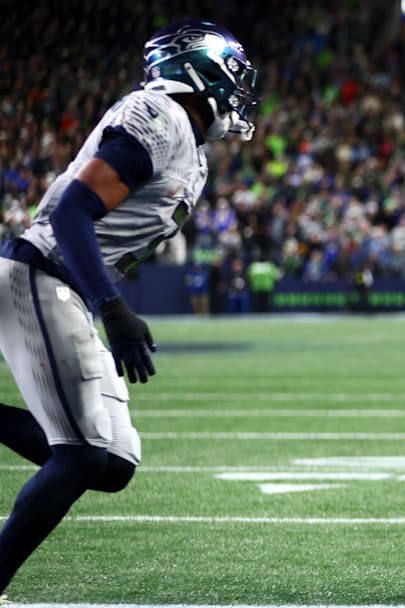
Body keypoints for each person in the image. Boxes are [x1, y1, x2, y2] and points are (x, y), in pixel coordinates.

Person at [0, 20, 258, 597]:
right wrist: (112, 308)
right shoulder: (160, 115)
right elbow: (70, 213)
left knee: (111, 462)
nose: (239, 91)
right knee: (82, 454)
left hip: (65, 287)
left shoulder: (193, 150)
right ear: (201, 71)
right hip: (43, 273)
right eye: (234, 76)